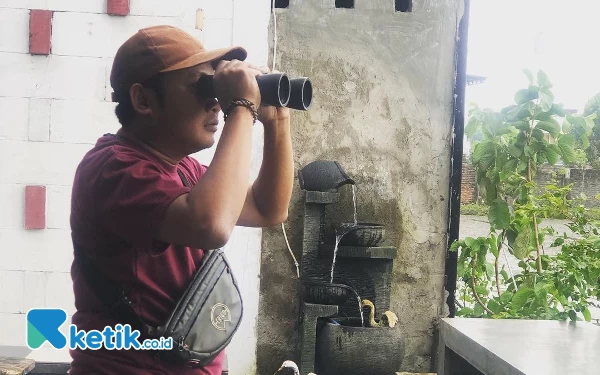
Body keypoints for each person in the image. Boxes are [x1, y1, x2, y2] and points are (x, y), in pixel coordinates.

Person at [67, 25, 294, 375]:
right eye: (203, 86)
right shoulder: (112, 169)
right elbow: (212, 226)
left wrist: (277, 121)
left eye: (217, 88)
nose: (215, 102)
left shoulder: (184, 170)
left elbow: (269, 209)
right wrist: (243, 108)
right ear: (143, 100)